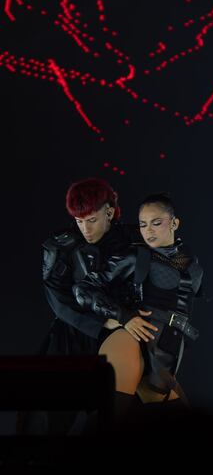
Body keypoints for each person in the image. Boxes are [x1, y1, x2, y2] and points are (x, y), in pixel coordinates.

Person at [17, 178, 135, 435]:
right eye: (80, 221)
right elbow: (58, 301)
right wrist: (100, 324)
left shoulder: (133, 241)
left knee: (124, 417)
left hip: (122, 337)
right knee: (49, 420)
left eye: (91, 220)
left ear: (109, 211)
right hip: (71, 338)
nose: (86, 229)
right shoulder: (61, 246)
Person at [73, 193, 203, 425]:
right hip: (130, 341)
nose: (148, 230)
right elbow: (84, 289)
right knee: (110, 420)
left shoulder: (189, 259)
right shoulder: (136, 257)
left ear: (174, 223)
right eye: (143, 224)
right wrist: (123, 316)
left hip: (164, 348)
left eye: (156, 223)